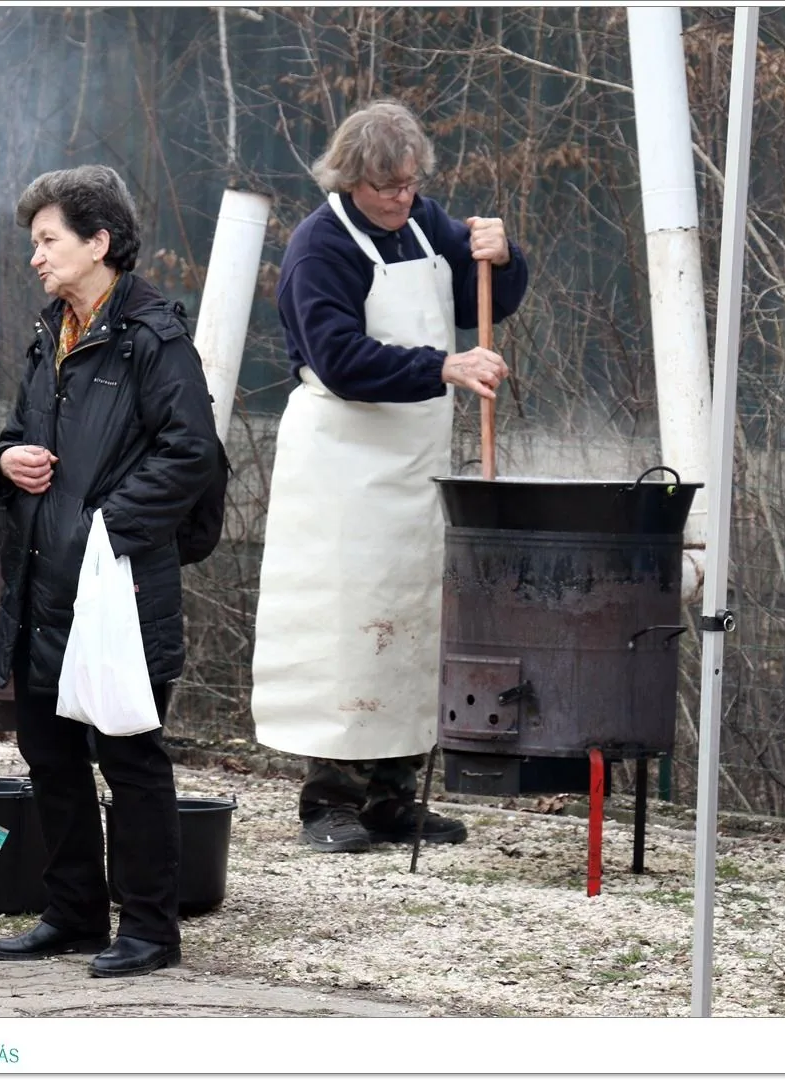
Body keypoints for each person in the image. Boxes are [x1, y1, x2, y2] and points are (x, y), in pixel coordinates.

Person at [251, 99, 529, 855]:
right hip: (344, 464)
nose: (400, 198)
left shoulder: (422, 224)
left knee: (411, 628)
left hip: (415, 463)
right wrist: (441, 366)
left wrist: (503, 256)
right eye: (385, 187)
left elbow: (488, 299)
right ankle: (328, 801)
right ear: (349, 180)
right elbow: (339, 359)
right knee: (344, 630)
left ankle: (392, 796)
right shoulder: (319, 248)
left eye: (409, 183)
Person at [0, 165, 220, 978]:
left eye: (48, 241)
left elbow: (193, 452)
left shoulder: (153, 335)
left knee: (128, 757)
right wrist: (3, 457)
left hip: (115, 583)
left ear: (99, 242)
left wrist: (105, 527)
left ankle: (150, 929)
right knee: (50, 757)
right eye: (35, 243)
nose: (35, 257)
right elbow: (17, 431)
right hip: (41, 579)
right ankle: (74, 912)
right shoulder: (51, 330)